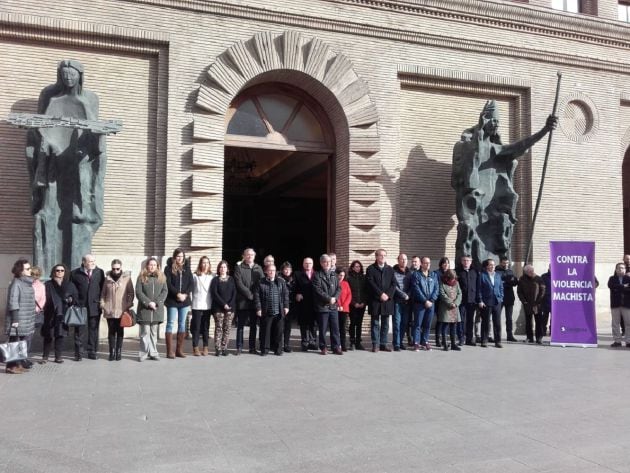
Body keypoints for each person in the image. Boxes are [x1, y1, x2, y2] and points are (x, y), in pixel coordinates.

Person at [452, 100, 557, 266]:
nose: (496, 125)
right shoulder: (465, 146)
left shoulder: (495, 148)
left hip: (491, 208)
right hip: (472, 205)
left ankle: (496, 267)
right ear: (484, 120)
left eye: (498, 122)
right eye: (493, 120)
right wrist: (478, 139)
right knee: (467, 235)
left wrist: (544, 130)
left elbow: (520, 146)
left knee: (501, 235)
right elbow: (465, 175)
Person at [27, 60, 108, 275]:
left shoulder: (89, 100)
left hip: (78, 165)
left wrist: (95, 142)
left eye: (72, 74)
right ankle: (45, 272)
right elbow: (40, 133)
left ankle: (77, 271)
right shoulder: (52, 100)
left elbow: (95, 137)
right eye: (64, 75)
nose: (68, 78)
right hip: (54, 166)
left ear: (80, 76)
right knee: (47, 215)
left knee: (77, 217)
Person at [70, 254, 105, 361]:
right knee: (79, 331)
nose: (93, 263)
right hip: (80, 306)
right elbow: (72, 288)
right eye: (90, 261)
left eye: (94, 261)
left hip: (94, 306)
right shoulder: (75, 273)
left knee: (93, 330)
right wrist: (74, 300)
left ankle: (92, 351)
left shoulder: (99, 272)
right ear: (84, 262)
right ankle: (78, 353)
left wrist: (101, 301)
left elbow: (103, 288)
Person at [4, 259, 36, 374]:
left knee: (21, 343)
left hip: (26, 318)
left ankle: (18, 364)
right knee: (14, 342)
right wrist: (15, 319)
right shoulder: (16, 283)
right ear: (21, 271)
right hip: (18, 319)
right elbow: (13, 302)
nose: (30, 270)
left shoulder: (26, 283)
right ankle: (11, 366)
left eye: (29, 268)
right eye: (27, 269)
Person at [42, 264, 78, 364]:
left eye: (62, 270)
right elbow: (43, 297)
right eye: (57, 270)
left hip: (63, 313)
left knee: (60, 335)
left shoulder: (70, 284)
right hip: (50, 313)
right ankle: (45, 356)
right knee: (48, 335)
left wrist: (71, 300)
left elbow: (75, 297)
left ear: (65, 272)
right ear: (54, 271)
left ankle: (58, 357)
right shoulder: (48, 284)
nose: (60, 272)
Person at [100, 259, 134, 361]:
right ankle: (112, 352)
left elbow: (131, 293)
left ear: (121, 268)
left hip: (121, 310)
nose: (115, 271)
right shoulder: (107, 279)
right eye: (113, 268)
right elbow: (103, 294)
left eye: (117, 269)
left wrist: (127, 305)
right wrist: (103, 305)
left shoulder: (126, 279)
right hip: (109, 310)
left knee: (120, 331)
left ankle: (119, 352)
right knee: (111, 332)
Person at [164, 248, 194, 359]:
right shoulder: (168, 268)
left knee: (182, 324)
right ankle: (169, 351)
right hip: (172, 300)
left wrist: (185, 294)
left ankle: (179, 350)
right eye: (178, 256)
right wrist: (177, 294)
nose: (180, 258)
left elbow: (191, 283)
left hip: (184, 301)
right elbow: (168, 283)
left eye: (181, 256)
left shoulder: (187, 268)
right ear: (174, 257)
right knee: (170, 323)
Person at [365, 249, 397, 352]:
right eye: (380, 255)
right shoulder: (370, 269)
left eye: (384, 255)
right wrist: (380, 294)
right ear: (376, 257)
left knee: (385, 323)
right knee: (375, 323)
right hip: (375, 300)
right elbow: (370, 283)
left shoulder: (390, 269)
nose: (383, 257)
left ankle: (383, 344)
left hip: (387, 301)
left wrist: (387, 295)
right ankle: (375, 344)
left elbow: (394, 284)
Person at [234, 248, 264, 355]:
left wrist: (254, 296)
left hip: (254, 302)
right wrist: (249, 294)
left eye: (251, 254)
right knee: (240, 326)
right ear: (244, 256)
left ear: (254, 256)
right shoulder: (239, 267)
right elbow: (238, 283)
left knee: (253, 326)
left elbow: (262, 283)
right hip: (243, 301)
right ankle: (239, 347)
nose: (250, 256)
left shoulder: (258, 268)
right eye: (247, 254)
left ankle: (252, 348)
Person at [136, 257, 167, 361]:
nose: (152, 267)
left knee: (154, 333)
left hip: (157, 310)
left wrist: (157, 302)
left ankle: (153, 353)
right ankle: (143, 353)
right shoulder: (141, 277)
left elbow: (164, 291)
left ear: (157, 266)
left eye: (154, 265)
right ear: (147, 266)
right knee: (145, 332)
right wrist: (148, 303)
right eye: (150, 265)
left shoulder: (162, 277)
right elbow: (138, 292)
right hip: (145, 310)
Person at [255, 264, 290, 356]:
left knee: (278, 332)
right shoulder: (260, 282)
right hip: (266, 311)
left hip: (279, 311)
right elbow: (257, 296)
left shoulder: (281, 282)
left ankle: (278, 349)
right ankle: (264, 350)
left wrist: (286, 306)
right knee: (265, 332)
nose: (272, 272)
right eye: (270, 270)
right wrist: (258, 308)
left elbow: (286, 295)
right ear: (266, 271)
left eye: (273, 270)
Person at [313, 254, 342, 355]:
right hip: (323, 307)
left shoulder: (334, 274)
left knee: (335, 328)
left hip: (333, 306)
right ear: (321, 263)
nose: (328, 263)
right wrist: (329, 298)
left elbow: (339, 288)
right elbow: (318, 290)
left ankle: (336, 347)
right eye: (325, 261)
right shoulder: (317, 275)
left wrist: (335, 298)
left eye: (329, 261)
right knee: (323, 329)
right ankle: (323, 347)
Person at [410, 257, 439, 351]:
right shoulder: (416, 275)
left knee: (427, 324)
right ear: (421, 264)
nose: (428, 265)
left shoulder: (433, 275)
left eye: (429, 263)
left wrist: (431, 300)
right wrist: (424, 301)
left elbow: (436, 288)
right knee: (417, 324)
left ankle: (425, 341)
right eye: (425, 263)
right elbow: (416, 289)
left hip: (431, 304)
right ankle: (416, 342)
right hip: (419, 304)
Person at [210, 260, 236, 356]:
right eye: (221, 267)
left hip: (230, 309)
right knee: (219, 328)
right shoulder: (215, 280)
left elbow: (234, 293)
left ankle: (224, 348)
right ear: (218, 269)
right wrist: (223, 304)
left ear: (227, 269)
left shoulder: (231, 279)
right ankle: (218, 348)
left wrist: (229, 305)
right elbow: (214, 294)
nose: (223, 269)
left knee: (227, 328)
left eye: (224, 267)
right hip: (218, 308)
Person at [477, 259, 504, 348]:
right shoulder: (482, 275)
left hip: (497, 302)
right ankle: (484, 340)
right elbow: (479, 289)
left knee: (497, 322)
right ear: (487, 266)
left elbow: (501, 287)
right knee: (485, 322)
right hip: (486, 302)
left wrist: (501, 297)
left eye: (493, 265)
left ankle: (498, 341)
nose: (492, 266)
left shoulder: (498, 275)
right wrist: (480, 300)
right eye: (490, 265)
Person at [517, 265, 546, 345]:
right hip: (527, 304)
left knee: (539, 321)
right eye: (529, 272)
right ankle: (529, 338)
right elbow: (519, 292)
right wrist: (524, 301)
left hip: (537, 304)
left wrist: (538, 302)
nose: (531, 272)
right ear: (526, 272)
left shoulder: (539, 279)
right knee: (528, 322)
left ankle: (539, 338)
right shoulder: (522, 279)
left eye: (532, 271)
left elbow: (542, 291)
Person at [191, 256, 213, 356]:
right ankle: (195, 347)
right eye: (203, 263)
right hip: (197, 304)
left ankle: (205, 347)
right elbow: (190, 289)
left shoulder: (212, 276)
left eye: (207, 263)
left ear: (209, 264)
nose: (205, 265)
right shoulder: (195, 276)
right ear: (200, 264)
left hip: (208, 305)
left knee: (205, 327)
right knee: (196, 327)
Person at [295, 257, 318, 351]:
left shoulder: (317, 274)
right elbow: (295, 286)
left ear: (312, 264)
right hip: (303, 303)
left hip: (314, 303)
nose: (308, 265)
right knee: (304, 324)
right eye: (306, 263)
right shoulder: (298, 274)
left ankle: (313, 342)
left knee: (313, 324)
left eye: (310, 263)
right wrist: (297, 293)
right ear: (303, 264)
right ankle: (305, 342)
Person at [438, 269, 462, 351]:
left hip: (455, 307)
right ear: (447, 277)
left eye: (454, 278)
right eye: (451, 278)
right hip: (446, 308)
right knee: (445, 326)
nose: (453, 280)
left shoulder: (456, 283)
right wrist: (450, 303)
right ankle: (445, 344)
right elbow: (442, 294)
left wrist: (456, 303)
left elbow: (460, 293)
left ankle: (453, 344)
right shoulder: (442, 283)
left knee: (453, 326)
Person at [457, 255, 479, 346]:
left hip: (472, 300)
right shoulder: (457, 272)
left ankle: (469, 339)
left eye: (468, 260)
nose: (466, 262)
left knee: (470, 320)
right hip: (461, 301)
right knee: (461, 320)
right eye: (464, 260)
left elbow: (478, 286)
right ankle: (461, 339)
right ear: (462, 262)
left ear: (471, 261)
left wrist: (478, 299)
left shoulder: (475, 272)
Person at [608, 263, 630, 348]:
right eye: (619, 268)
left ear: (625, 270)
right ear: (616, 270)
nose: (621, 270)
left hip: (627, 304)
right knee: (615, 323)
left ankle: (628, 341)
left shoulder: (628, 278)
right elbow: (611, 286)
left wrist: (618, 288)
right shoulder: (612, 278)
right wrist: (624, 286)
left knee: (628, 323)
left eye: (623, 268)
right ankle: (617, 341)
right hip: (615, 304)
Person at [346, 260, 367, 350]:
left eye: (359, 266)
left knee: (359, 324)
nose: (358, 268)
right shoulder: (348, 278)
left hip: (362, 304)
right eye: (356, 266)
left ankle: (358, 342)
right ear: (352, 268)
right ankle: (352, 342)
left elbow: (367, 292)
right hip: (352, 305)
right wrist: (354, 303)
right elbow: (348, 292)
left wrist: (364, 302)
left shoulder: (364, 278)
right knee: (353, 323)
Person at [497, 257, 519, 342]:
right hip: (500, 298)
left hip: (509, 298)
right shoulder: (497, 271)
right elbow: (499, 283)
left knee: (509, 318)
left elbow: (515, 282)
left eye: (507, 263)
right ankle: (498, 335)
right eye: (504, 263)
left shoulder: (510, 271)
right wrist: (508, 282)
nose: (506, 264)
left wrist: (507, 282)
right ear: (500, 263)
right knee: (497, 317)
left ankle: (510, 335)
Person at [392, 254, 411, 351]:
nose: (404, 261)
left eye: (405, 259)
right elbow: (394, 286)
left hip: (407, 302)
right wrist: (404, 295)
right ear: (398, 260)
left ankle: (400, 341)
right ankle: (396, 344)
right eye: (401, 259)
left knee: (404, 323)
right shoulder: (393, 272)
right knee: (397, 323)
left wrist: (408, 295)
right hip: (397, 301)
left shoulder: (409, 272)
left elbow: (413, 286)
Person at [278, 262, 296, 353]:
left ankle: (286, 345)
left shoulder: (293, 280)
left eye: (289, 269)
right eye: (285, 269)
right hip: (281, 305)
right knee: (280, 326)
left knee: (288, 326)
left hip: (291, 305)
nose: (287, 271)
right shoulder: (278, 279)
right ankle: (279, 345)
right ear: (282, 270)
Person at [433, 257, 450, 347]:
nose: (446, 265)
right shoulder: (436, 273)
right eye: (444, 263)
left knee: (446, 321)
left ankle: (444, 339)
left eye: (447, 263)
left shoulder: (450, 273)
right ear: (441, 264)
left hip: (447, 301)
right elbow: (437, 286)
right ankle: (437, 340)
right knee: (440, 321)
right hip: (439, 300)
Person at [30, 266, 46, 360]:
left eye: (36, 275)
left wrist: (37, 309)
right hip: (25, 312)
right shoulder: (26, 284)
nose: (34, 276)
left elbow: (43, 299)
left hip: (35, 312)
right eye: (32, 274)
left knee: (30, 335)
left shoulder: (41, 286)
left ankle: (24, 355)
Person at [336, 268, 352, 351]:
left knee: (343, 328)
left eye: (342, 275)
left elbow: (349, 295)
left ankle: (343, 344)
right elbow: (335, 295)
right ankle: (336, 345)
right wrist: (338, 305)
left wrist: (343, 305)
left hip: (344, 309)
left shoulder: (346, 283)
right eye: (339, 275)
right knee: (335, 328)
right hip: (335, 308)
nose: (340, 277)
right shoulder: (333, 283)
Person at [540, 265, 552, 337]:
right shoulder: (544, 276)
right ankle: (543, 330)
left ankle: (552, 331)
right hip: (545, 299)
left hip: (554, 300)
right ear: (549, 268)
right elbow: (541, 287)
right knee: (544, 316)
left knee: (553, 317)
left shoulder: (558, 275)